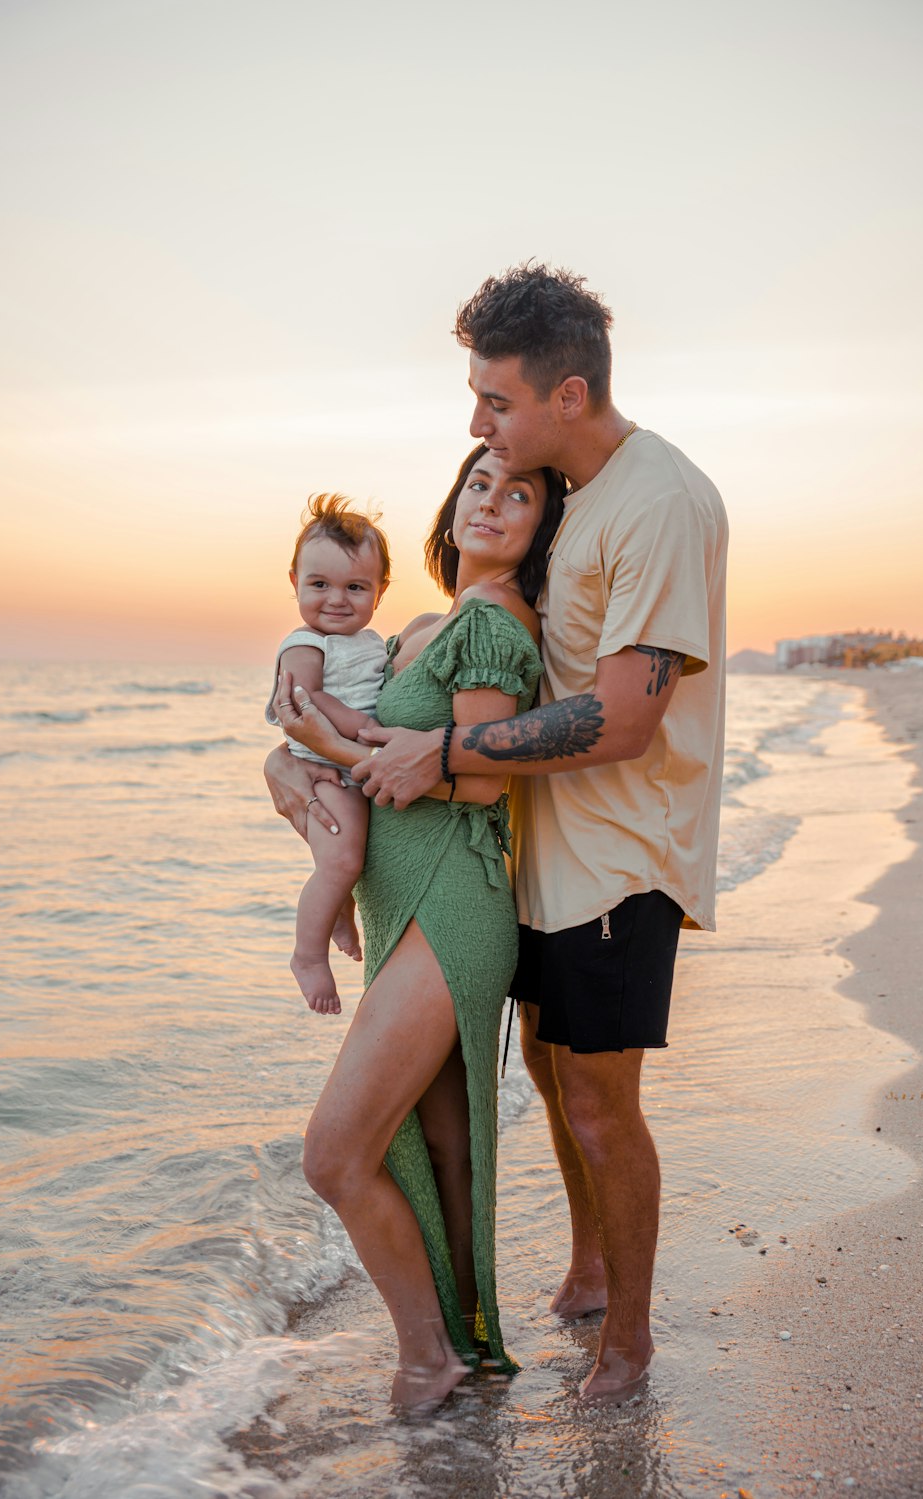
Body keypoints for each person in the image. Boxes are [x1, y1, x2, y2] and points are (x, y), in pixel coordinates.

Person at [351, 264, 728, 1404]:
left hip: (622, 854)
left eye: (496, 401)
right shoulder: (574, 495)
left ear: (568, 392)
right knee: (558, 1085)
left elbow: (621, 717)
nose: (477, 425)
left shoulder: (656, 501)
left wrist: (447, 755)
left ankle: (631, 1344)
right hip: (544, 853)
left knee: (605, 1108)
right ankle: (589, 1263)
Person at [266, 445, 567, 1409]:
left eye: (518, 494)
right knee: (435, 1150)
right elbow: (370, 754)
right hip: (405, 903)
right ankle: (467, 1350)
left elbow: (478, 774)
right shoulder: (427, 624)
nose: (490, 500)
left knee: (335, 1153)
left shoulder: (491, 624)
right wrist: (288, 776)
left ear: (542, 530)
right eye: (479, 482)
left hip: (452, 899)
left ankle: (424, 1354)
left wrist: (312, 745)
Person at [265, 493, 390, 1014]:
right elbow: (306, 699)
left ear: (380, 592)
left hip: (346, 767)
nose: (336, 599)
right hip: (324, 774)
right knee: (341, 859)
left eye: (355, 587)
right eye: (319, 585)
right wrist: (365, 727)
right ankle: (308, 955)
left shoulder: (372, 642)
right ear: (294, 581)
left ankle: (339, 910)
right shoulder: (304, 643)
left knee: (345, 863)